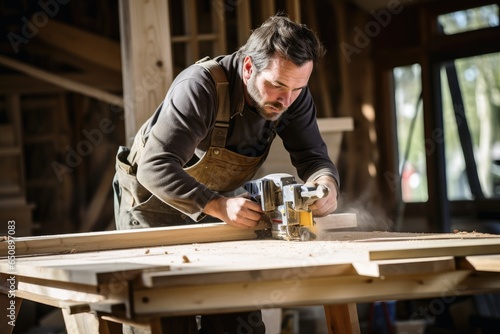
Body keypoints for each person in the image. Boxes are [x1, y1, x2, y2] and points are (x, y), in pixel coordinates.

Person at [113, 13, 339, 334]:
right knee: (168, 318)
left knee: (237, 314)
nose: (286, 100)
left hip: (212, 211)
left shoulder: (292, 95)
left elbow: (315, 158)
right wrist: (219, 205)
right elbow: (154, 166)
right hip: (152, 210)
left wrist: (325, 185)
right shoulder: (200, 87)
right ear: (248, 68)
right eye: (276, 86)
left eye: (297, 88)